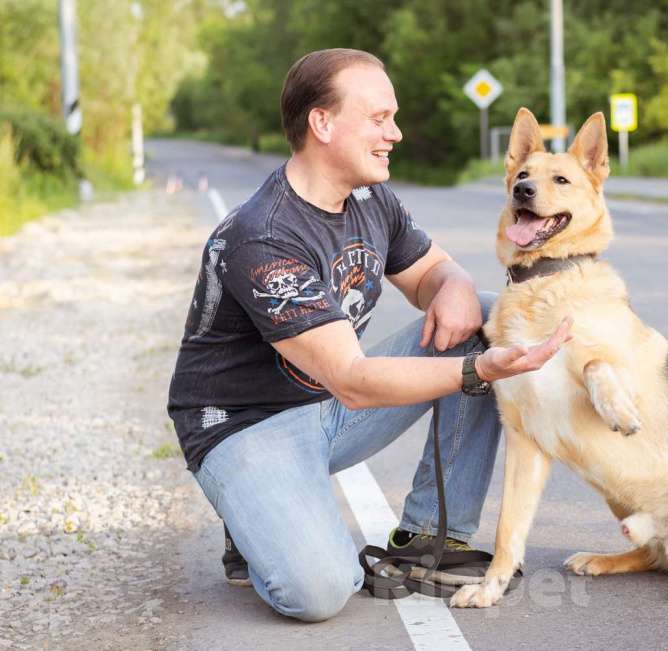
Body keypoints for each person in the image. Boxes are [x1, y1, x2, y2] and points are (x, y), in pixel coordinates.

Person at [166, 48, 572, 622]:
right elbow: (354, 381)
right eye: (379, 118)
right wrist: (479, 371)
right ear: (322, 123)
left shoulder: (369, 196)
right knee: (320, 593)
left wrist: (451, 282)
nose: (396, 134)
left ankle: (431, 540)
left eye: (394, 117)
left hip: (324, 409)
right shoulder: (263, 236)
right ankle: (251, 516)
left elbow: (432, 271)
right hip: (244, 431)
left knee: (482, 315)